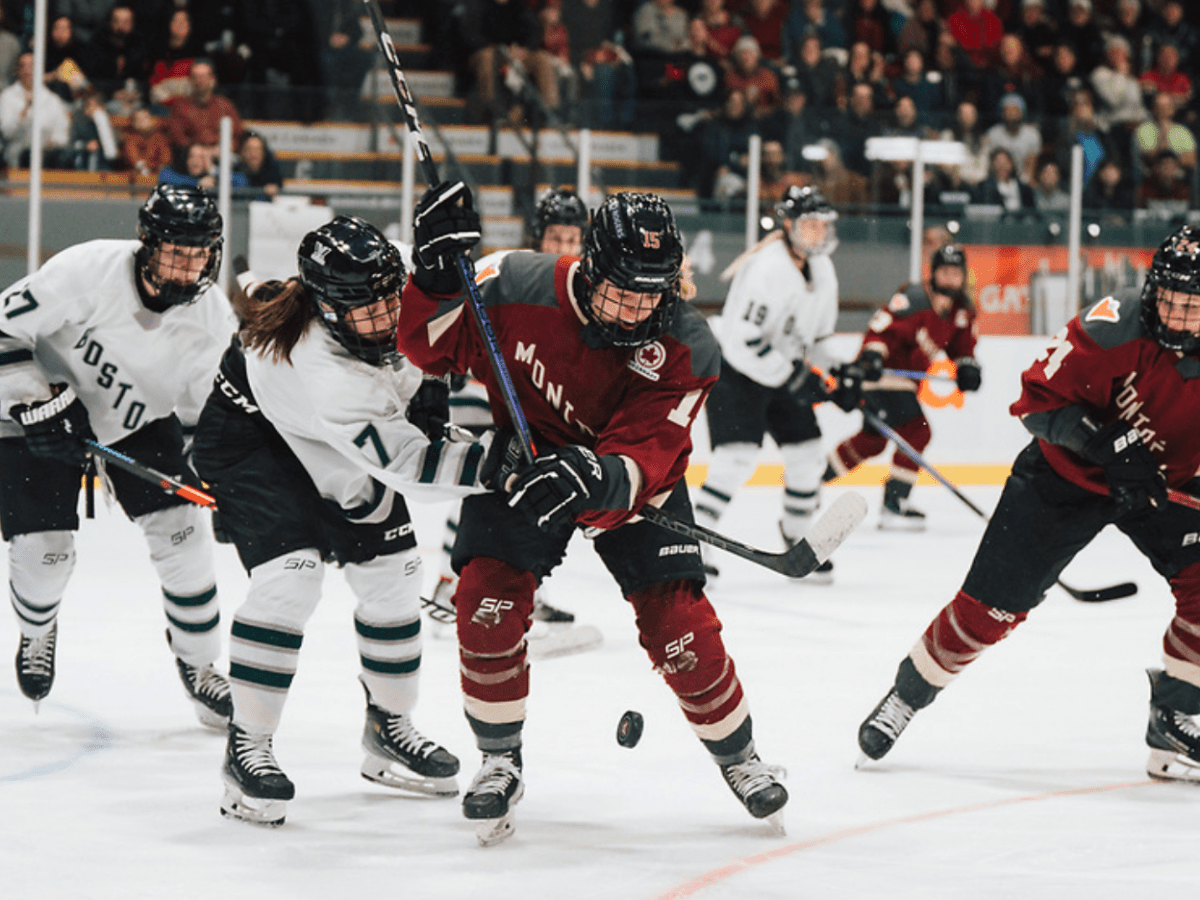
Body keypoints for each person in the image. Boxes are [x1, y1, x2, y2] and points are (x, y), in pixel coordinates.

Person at [397, 186, 789, 845]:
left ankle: (741, 757)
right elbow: (427, 347)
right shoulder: (510, 282)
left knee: (680, 627)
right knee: (485, 602)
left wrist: (596, 476)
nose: (637, 312)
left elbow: (644, 456)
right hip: (526, 467)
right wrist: (435, 279)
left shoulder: (687, 342)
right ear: (590, 267)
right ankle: (499, 760)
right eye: (623, 293)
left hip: (628, 487)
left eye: (651, 295)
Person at [855, 224, 1200, 783]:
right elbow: (1037, 403)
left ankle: (1175, 717)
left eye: (1194, 306)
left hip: (1162, 485)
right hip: (1064, 479)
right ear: (1152, 289)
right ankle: (907, 695)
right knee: (988, 609)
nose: (1179, 317)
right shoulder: (1114, 324)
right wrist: (1105, 443)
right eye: (1171, 300)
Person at [192, 216, 494, 827]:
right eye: (366, 312)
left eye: (391, 301)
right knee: (291, 576)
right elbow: (411, 468)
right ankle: (247, 745)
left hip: (332, 437)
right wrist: (505, 467)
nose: (385, 319)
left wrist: (451, 251)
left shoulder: (393, 275)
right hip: (255, 440)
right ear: (327, 309)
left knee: (395, 574)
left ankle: (389, 728)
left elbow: (453, 287)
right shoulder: (322, 367)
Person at [0, 184, 234, 726]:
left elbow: (208, 423)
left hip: (137, 421)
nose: (187, 268)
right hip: (44, 409)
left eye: (199, 255)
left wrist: (228, 484)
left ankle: (199, 663)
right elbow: (3, 330)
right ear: (147, 244)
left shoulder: (212, 321)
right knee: (44, 555)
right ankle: (37, 630)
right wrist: (36, 403)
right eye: (175, 253)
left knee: (184, 535)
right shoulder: (85, 271)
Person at [424, 188, 597, 655]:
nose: (564, 247)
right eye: (556, 237)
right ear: (538, 236)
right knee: (486, 485)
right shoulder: (513, 270)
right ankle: (448, 585)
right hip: (483, 392)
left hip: (529, 401)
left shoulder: (580, 286)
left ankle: (522, 591)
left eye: (573, 239)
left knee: (534, 490)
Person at [695, 185, 839, 584]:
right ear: (789, 225)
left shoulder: (823, 270)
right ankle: (698, 540)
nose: (818, 233)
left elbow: (820, 338)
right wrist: (795, 377)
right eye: (810, 225)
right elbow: (743, 341)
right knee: (735, 458)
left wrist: (840, 375)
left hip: (781, 371)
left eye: (822, 225)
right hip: (735, 371)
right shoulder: (766, 268)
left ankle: (797, 535)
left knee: (808, 454)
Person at [820, 244, 982, 529]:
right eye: (945, 271)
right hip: (880, 376)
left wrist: (967, 366)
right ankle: (894, 503)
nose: (950, 278)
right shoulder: (914, 298)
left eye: (956, 273)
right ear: (933, 273)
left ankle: (812, 479)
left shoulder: (961, 311)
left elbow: (962, 347)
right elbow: (882, 329)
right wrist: (872, 355)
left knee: (872, 441)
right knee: (917, 431)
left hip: (905, 384)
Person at [164, 57, 243, 157]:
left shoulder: (225, 105)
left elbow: (237, 136)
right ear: (190, 80)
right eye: (195, 77)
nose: (199, 81)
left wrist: (225, 149)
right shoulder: (180, 107)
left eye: (203, 77)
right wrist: (199, 152)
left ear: (213, 80)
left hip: (222, 157)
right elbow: (178, 139)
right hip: (192, 158)